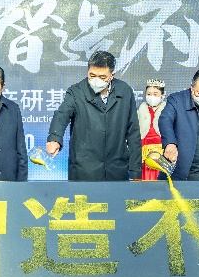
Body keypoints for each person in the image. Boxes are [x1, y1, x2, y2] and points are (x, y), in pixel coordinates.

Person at [44, 50, 141, 182]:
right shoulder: (76, 92)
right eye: (92, 75)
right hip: (84, 170)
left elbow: (133, 132)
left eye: (102, 77)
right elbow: (62, 114)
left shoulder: (125, 91)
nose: (96, 80)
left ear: (112, 75)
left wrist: (135, 172)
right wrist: (54, 138)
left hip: (116, 170)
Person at [137, 79, 168, 181]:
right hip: (144, 146)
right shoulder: (141, 109)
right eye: (149, 94)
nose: (152, 97)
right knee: (145, 175)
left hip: (162, 146)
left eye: (155, 94)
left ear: (162, 95)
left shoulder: (167, 110)